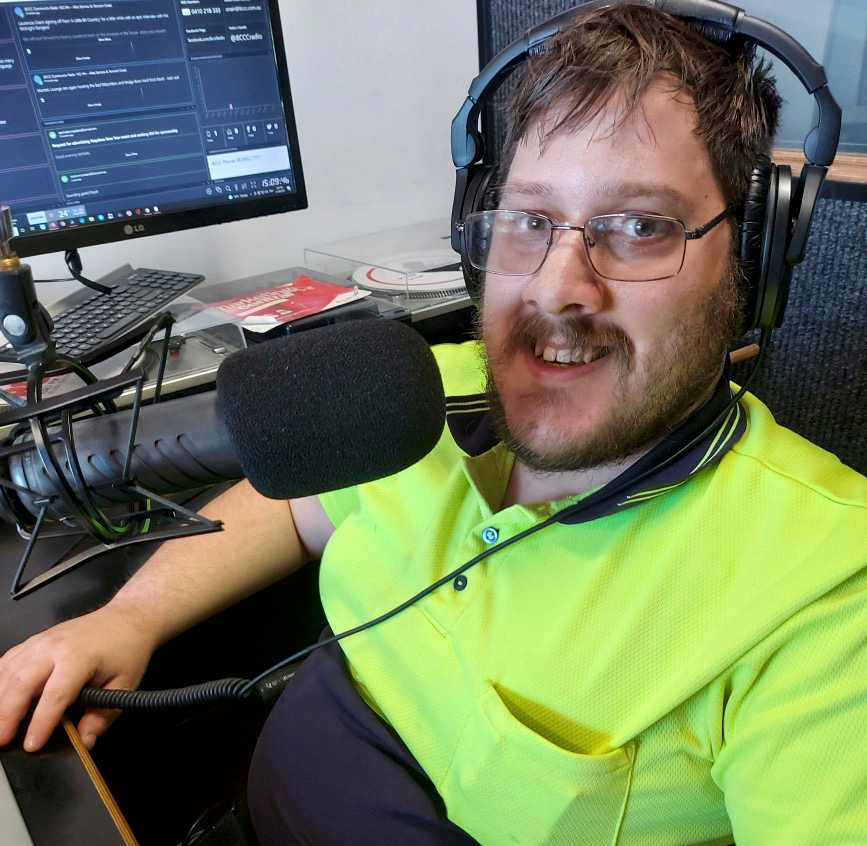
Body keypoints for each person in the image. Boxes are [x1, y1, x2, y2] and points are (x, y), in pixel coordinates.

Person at [1, 5, 866, 844]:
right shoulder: (427, 394)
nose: (556, 286)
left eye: (639, 227)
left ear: (752, 260)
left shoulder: (828, 595)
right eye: (530, 220)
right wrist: (129, 617)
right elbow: (295, 511)